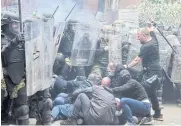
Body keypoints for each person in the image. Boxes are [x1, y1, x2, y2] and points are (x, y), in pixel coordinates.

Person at [124, 27, 163, 120]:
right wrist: (151, 28)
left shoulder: (146, 46)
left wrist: (127, 66)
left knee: (143, 91)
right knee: (152, 93)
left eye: (139, 36)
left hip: (153, 74)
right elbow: (152, 32)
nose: (137, 39)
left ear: (144, 35)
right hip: (154, 73)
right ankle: (157, 114)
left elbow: (137, 60)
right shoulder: (154, 40)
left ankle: (147, 116)